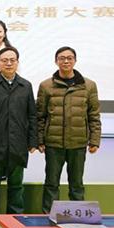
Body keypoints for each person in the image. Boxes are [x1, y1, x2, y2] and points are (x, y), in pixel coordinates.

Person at [0, 47, 37, 228]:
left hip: (19, 142)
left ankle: (15, 218)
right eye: (4, 60)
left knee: (16, 184)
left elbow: (32, 115)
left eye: (12, 60)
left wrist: (32, 141)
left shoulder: (26, 86)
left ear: (17, 62)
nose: (9, 63)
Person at [37, 46, 101, 214]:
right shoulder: (46, 86)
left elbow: (94, 115)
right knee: (51, 183)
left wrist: (94, 140)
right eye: (62, 58)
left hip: (78, 143)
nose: (66, 61)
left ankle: (78, 218)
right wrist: (40, 140)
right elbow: (40, 116)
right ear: (56, 61)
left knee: (76, 184)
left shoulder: (89, 85)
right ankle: (49, 216)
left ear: (75, 60)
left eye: (69, 58)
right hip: (53, 143)